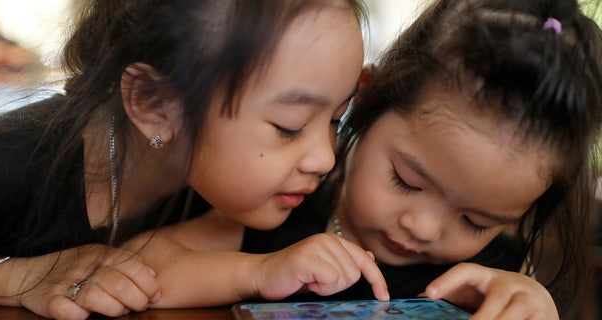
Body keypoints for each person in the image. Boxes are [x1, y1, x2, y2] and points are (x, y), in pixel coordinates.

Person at [143, 0, 602, 318]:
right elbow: (141, 263)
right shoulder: (284, 208)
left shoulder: (492, 277)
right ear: (366, 101)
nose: (423, 228)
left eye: (477, 221)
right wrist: (259, 272)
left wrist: (534, 302)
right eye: (406, 181)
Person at [0, 1, 390, 319]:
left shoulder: (224, 194)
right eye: (289, 126)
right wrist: (10, 278)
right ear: (155, 104)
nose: (324, 159)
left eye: (336, 118)